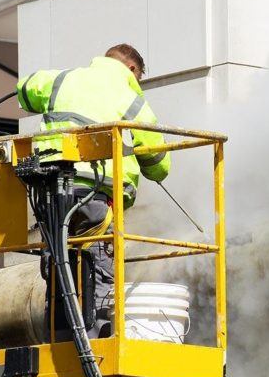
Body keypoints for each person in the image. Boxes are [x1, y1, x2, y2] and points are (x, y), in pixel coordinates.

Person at [16, 43, 171, 336]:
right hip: (95, 197)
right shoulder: (131, 99)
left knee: (59, 265)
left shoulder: (60, 80)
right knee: (96, 265)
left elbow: (24, 89)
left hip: (51, 194)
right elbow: (159, 163)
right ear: (132, 70)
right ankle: (94, 341)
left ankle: (60, 338)